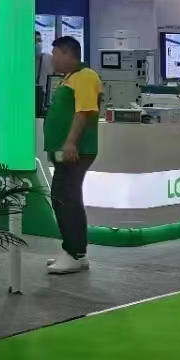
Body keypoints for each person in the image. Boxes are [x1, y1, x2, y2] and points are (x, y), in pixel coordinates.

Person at [44, 35, 102, 275]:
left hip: (77, 151)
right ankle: (77, 251)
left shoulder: (85, 76)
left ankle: (73, 253)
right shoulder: (69, 78)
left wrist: (70, 143)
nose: (52, 60)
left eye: (55, 54)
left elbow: (84, 112)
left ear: (68, 54)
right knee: (68, 198)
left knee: (64, 198)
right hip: (65, 152)